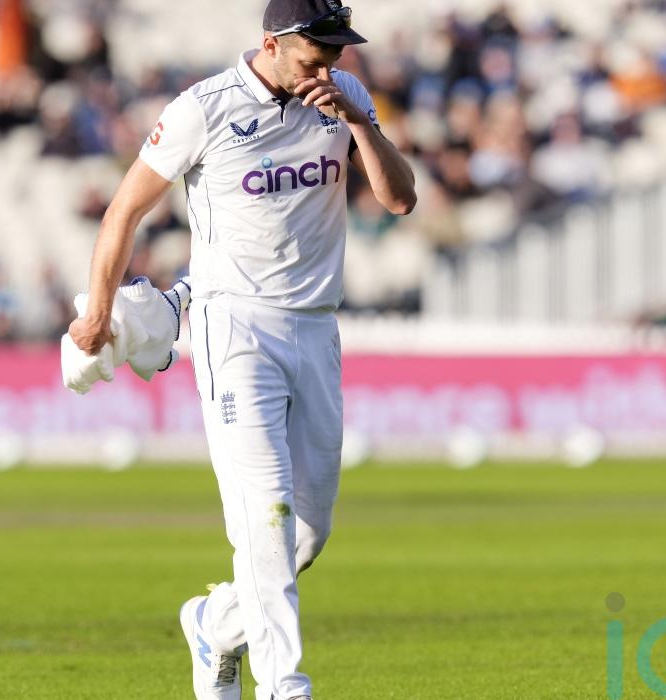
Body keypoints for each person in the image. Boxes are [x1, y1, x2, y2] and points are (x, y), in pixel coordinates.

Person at [67, 2, 415, 699]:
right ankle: (285, 686)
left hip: (316, 327)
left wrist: (358, 122)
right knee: (266, 515)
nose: (327, 68)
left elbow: (400, 199)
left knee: (306, 535)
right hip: (235, 328)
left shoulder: (344, 96)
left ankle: (215, 625)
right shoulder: (204, 109)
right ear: (272, 44)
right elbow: (125, 209)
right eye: (315, 56)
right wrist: (100, 308)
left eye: (336, 55)